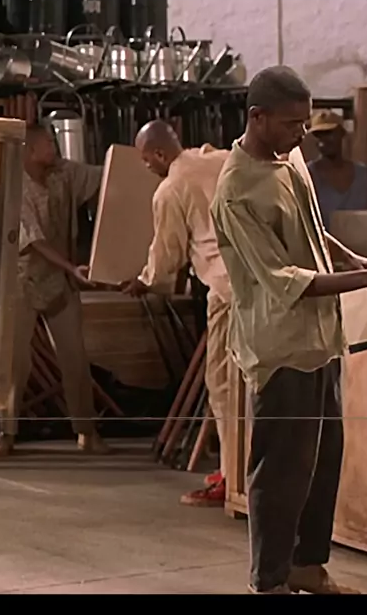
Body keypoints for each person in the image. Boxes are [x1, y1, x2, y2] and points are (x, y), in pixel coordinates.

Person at [210, 65, 367, 594]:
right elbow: (282, 280)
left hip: (321, 340)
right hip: (281, 348)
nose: (303, 134)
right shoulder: (236, 190)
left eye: (305, 123)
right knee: (281, 472)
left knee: (323, 462)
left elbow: (312, 232)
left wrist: (363, 261)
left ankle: (307, 566)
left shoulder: (289, 159)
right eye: (292, 124)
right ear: (257, 117)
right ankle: (269, 581)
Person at [122, 120, 231, 508]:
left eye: (146, 159)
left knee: (223, 384)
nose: (146, 166)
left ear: (159, 153)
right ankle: (251, 472)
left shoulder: (171, 189)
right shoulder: (219, 159)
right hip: (266, 285)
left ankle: (234, 479)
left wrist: (144, 281)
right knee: (256, 385)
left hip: (227, 289)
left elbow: (166, 252)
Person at [0, 124, 110, 457]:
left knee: (75, 358)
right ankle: (6, 433)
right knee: (15, 364)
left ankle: (86, 431)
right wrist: (72, 267)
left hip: (59, 284)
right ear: (29, 150)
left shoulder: (64, 173)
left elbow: (102, 177)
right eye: (47, 142)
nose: (54, 147)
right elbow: (35, 241)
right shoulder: (14, 184)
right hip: (22, 281)